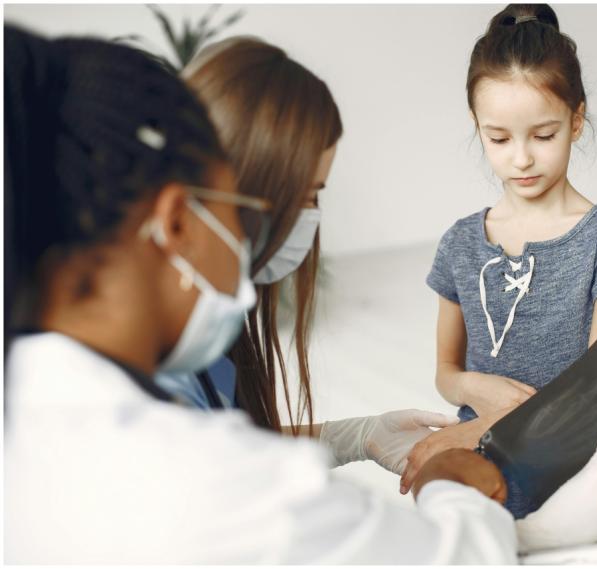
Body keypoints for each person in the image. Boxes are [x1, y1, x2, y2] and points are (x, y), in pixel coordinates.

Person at [3, 26, 518, 563]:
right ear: (177, 221)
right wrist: (451, 481)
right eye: (239, 213)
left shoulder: (35, 414)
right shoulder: (207, 486)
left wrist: (356, 435)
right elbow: (464, 557)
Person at [400, 3, 597, 528]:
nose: (521, 158)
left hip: (574, 484)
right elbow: (446, 372)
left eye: (543, 135)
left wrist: (477, 428)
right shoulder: (460, 243)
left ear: (576, 120)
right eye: (498, 138)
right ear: (477, 127)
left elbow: (593, 391)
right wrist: (472, 390)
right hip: (475, 477)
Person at [154, 36, 455, 476]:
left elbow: (232, 446)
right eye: (307, 195)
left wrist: (358, 436)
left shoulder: (209, 318)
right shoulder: (155, 368)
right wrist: (455, 495)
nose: (311, 216)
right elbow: (216, 482)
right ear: (249, 183)